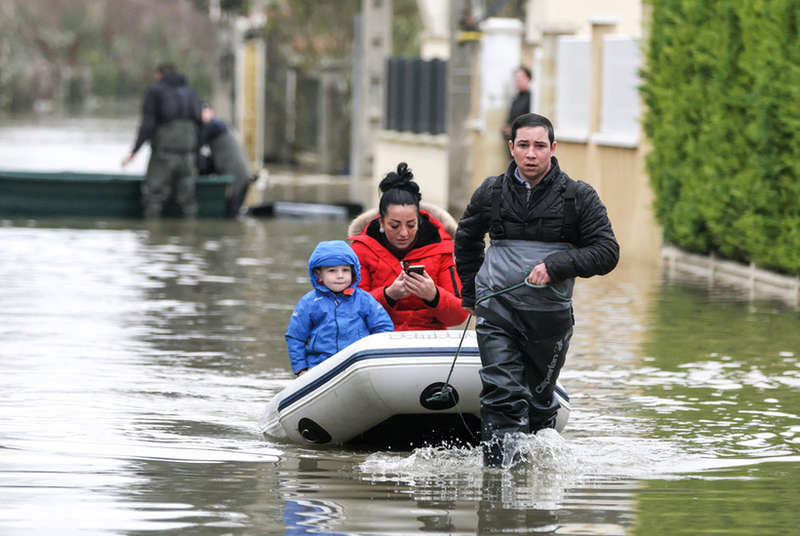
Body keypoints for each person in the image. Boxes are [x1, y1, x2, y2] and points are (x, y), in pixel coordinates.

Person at [454, 113, 619, 467]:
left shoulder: (579, 197)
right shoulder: (491, 192)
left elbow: (607, 253)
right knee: (502, 394)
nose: (531, 154)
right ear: (511, 148)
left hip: (550, 318)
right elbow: (465, 241)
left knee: (539, 401)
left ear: (553, 149)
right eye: (524, 145)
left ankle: (535, 486)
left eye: (539, 146)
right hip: (497, 311)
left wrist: (557, 266)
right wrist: (472, 295)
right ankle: (498, 482)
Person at [347, 162, 469, 331]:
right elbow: (349, 311)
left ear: (419, 221)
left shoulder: (444, 249)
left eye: (411, 225)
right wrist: (388, 295)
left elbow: (459, 315)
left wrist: (433, 295)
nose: (403, 233)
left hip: (430, 342)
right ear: (381, 222)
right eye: (395, 226)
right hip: (377, 339)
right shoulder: (360, 251)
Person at [285, 240, 393, 376]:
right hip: (319, 366)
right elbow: (295, 337)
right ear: (318, 274)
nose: (340, 275)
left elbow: (383, 327)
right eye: (332, 271)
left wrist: (374, 357)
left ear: (353, 272)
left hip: (357, 364)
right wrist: (301, 368)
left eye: (345, 270)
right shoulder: (309, 302)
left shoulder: (364, 299)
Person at [121, 63, 203, 218]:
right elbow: (200, 127)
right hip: (188, 157)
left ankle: (154, 237)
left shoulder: (155, 92)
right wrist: (197, 157)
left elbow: (147, 126)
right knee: (188, 203)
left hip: (163, 157)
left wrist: (133, 152)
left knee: (153, 199)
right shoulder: (192, 93)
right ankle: (191, 237)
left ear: (159, 75)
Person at [198, 104, 256, 217]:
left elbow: (197, 146)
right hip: (242, 177)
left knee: (231, 215)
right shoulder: (222, 129)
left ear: (211, 113)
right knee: (232, 216)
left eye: (205, 112)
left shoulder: (214, 126)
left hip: (237, 180)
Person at [501, 66, 532, 140]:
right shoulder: (516, 98)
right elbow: (511, 118)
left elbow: (530, 122)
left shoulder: (532, 98)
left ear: (528, 79)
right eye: (516, 78)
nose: (517, 80)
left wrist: (514, 130)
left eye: (520, 77)